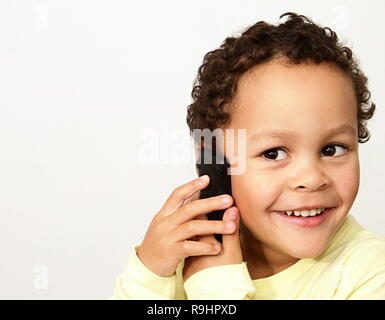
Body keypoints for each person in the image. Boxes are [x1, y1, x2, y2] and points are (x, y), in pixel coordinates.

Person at [110, 12, 385, 299]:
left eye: (332, 149)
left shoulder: (371, 274)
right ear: (214, 160)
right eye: (273, 153)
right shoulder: (179, 256)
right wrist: (149, 275)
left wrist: (217, 287)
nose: (312, 178)